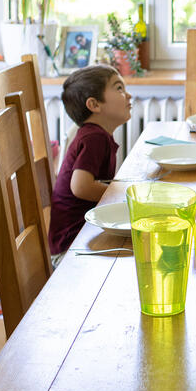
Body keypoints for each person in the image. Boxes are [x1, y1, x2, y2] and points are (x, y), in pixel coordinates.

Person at [49, 65, 131, 259]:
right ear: (94, 105)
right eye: (119, 88)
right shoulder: (94, 138)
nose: (128, 95)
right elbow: (81, 186)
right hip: (71, 247)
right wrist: (121, 193)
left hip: (80, 237)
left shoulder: (97, 135)